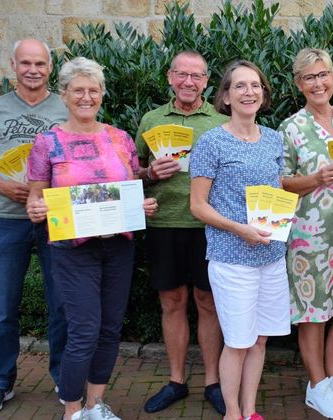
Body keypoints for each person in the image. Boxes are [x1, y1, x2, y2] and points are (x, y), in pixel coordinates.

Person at [25, 57, 158, 420]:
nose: (87, 97)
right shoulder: (47, 142)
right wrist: (36, 209)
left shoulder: (120, 138)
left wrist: (141, 205)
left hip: (118, 245)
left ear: (102, 94)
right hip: (72, 249)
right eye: (78, 90)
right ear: (64, 94)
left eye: (93, 90)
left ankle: (96, 404)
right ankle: (73, 409)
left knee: (111, 326)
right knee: (83, 329)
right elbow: (36, 197)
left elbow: (131, 187)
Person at [0, 38, 68, 416]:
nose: (33, 70)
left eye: (40, 63)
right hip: (8, 220)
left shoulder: (64, 106)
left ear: (50, 67)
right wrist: (2, 184)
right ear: (13, 65)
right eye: (25, 63)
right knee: (3, 307)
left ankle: (63, 377)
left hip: (54, 216)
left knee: (60, 303)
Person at [189, 60, 290, 420]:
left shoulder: (274, 139)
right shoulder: (211, 141)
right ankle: (232, 413)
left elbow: (276, 192)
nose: (249, 92)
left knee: (261, 340)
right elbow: (198, 206)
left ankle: (250, 411)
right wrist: (240, 228)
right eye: (240, 86)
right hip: (232, 257)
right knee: (238, 342)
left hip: (272, 255)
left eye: (256, 86)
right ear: (226, 96)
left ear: (263, 95)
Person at [135, 50, 228, 415]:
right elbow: (134, 171)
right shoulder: (151, 119)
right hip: (164, 224)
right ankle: (176, 381)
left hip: (210, 227)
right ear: (170, 77)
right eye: (181, 75)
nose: (188, 82)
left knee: (209, 304)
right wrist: (148, 175)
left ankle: (213, 382)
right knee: (171, 303)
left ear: (206, 81)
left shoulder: (221, 122)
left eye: (196, 76)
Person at [278, 48, 333, 419]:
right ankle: (316, 385)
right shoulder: (290, 127)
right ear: (299, 84)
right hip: (308, 234)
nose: (318, 83)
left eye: (323, 75)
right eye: (309, 78)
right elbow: (280, 181)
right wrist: (314, 179)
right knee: (312, 312)